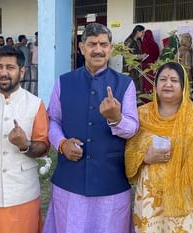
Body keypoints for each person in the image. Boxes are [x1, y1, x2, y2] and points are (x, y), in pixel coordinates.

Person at [43, 22, 139, 233]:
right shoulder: (63, 82)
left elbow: (132, 128)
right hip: (70, 181)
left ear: (110, 48)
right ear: (81, 48)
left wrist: (116, 118)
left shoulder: (125, 84)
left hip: (111, 180)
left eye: (103, 44)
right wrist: (61, 143)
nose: (98, 49)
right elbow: (53, 121)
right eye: (92, 44)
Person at [125, 62, 193, 232]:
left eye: (174, 80)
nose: (168, 84)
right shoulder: (142, 114)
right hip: (149, 198)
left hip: (186, 197)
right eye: (163, 79)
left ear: (183, 86)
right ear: (155, 86)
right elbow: (129, 153)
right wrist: (145, 157)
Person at [0, 45, 49, 233]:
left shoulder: (35, 104)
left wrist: (25, 145)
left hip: (22, 191)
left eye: (10, 67)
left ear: (21, 72)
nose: (4, 72)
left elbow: (43, 146)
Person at [124, 25, 145, 91]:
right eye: (142, 32)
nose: (143, 34)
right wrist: (138, 56)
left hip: (136, 65)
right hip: (130, 66)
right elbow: (126, 55)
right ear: (137, 32)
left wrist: (142, 55)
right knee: (131, 83)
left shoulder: (138, 41)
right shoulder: (129, 41)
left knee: (137, 82)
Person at [140, 29, 159, 94]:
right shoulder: (155, 44)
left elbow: (142, 55)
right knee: (151, 80)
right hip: (153, 65)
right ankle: (152, 94)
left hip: (145, 65)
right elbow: (157, 54)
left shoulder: (143, 44)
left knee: (145, 81)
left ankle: (145, 96)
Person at [29, 31, 38, 96]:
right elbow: (31, 54)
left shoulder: (44, 44)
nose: (37, 38)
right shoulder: (32, 45)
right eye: (36, 36)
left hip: (41, 64)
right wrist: (30, 63)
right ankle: (33, 93)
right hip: (33, 64)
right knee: (34, 79)